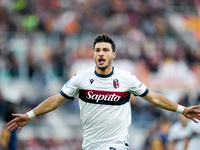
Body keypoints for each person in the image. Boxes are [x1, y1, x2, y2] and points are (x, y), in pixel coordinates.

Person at [7, 33, 200, 150]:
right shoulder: (81, 78)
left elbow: (155, 98)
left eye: (106, 50)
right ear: (93, 54)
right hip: (90, 145)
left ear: (113, 55)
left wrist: (182, 110)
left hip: (116, 144)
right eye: (98, 50)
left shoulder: (126, 79)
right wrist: (30, 115)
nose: (101, 53)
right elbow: (56, 100)